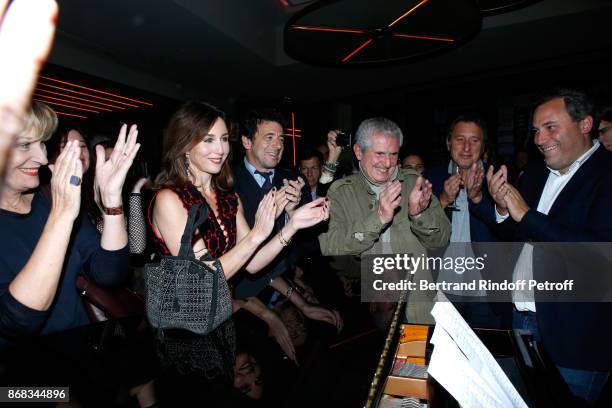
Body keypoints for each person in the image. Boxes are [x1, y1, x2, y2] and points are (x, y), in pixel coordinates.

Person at [149, 102, 334, 362]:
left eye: (224, 139)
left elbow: (254, 264)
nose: (220, 149)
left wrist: (293, 225)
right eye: (208, 140)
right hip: (187, 330)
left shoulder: (226, 196)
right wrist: (257, 234)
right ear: (185, 145)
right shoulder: (170, 199)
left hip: (225, 321)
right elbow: (202, 280)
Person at [471, 89, 612, 403]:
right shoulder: (535, 172)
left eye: (550, 127)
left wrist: (526, 215)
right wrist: (503, 209)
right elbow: (515, 235)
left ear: (585, 124)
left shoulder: (606, 174)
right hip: (521, 322)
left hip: (575, 337)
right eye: (536, 130)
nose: (538, 138)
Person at [319, 117, 451, 323]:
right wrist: (377, 219)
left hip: (420, 309)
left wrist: (419, 216)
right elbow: (331, 250)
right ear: (358, 151)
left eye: (393, 154)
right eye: (379, 154)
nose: (388, 163)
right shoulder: (341, 192)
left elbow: (441, 240)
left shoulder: (414, 183)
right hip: (372, 312)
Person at [232, 108, 342, 330]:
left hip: (291, 283)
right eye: (269, 137)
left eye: (281, 138)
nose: (278, 145)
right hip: (246, 302)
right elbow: (242, 261)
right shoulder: (228, 185)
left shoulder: (293, 178)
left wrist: (293, 213)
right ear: (247, 141)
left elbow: (312, 237)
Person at [424, 115, 505, 328]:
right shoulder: (430, 179)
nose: (467, 147)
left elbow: (510, 231)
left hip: (486, 292)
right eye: (460, 139)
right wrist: (442, 201)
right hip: (442, 289)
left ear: (483, 145)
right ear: (448, 143)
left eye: (474, 140)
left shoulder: (497, 178)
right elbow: (418, 231)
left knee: (489, 357)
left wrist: (478, 199)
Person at [0, 0, 57, 184]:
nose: (43, 159)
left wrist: (111, 198)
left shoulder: (48, 197)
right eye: (25, 145)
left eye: (42, 144)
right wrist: (62, 213)